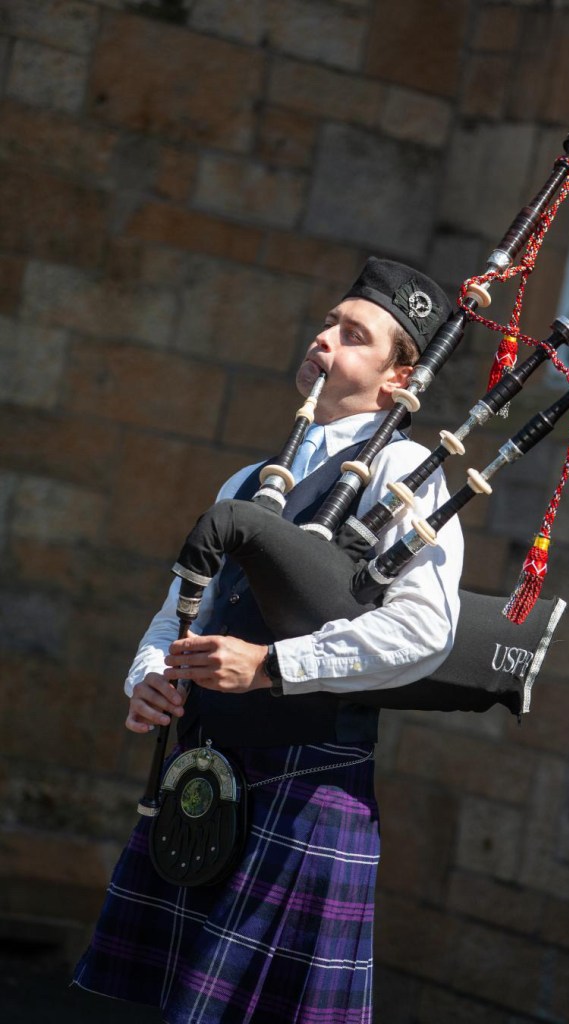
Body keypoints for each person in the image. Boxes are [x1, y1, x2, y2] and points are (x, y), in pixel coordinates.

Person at [72, 258, 464, 1024]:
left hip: (307, 784)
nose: (323, 340)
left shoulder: (406, 468)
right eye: (327, 323)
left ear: (396, 381)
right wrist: (151, 675)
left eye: (353, 336)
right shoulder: (250, 478)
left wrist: (272, 667)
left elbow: (426, 630)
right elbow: (179, 610)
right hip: (208, 770)